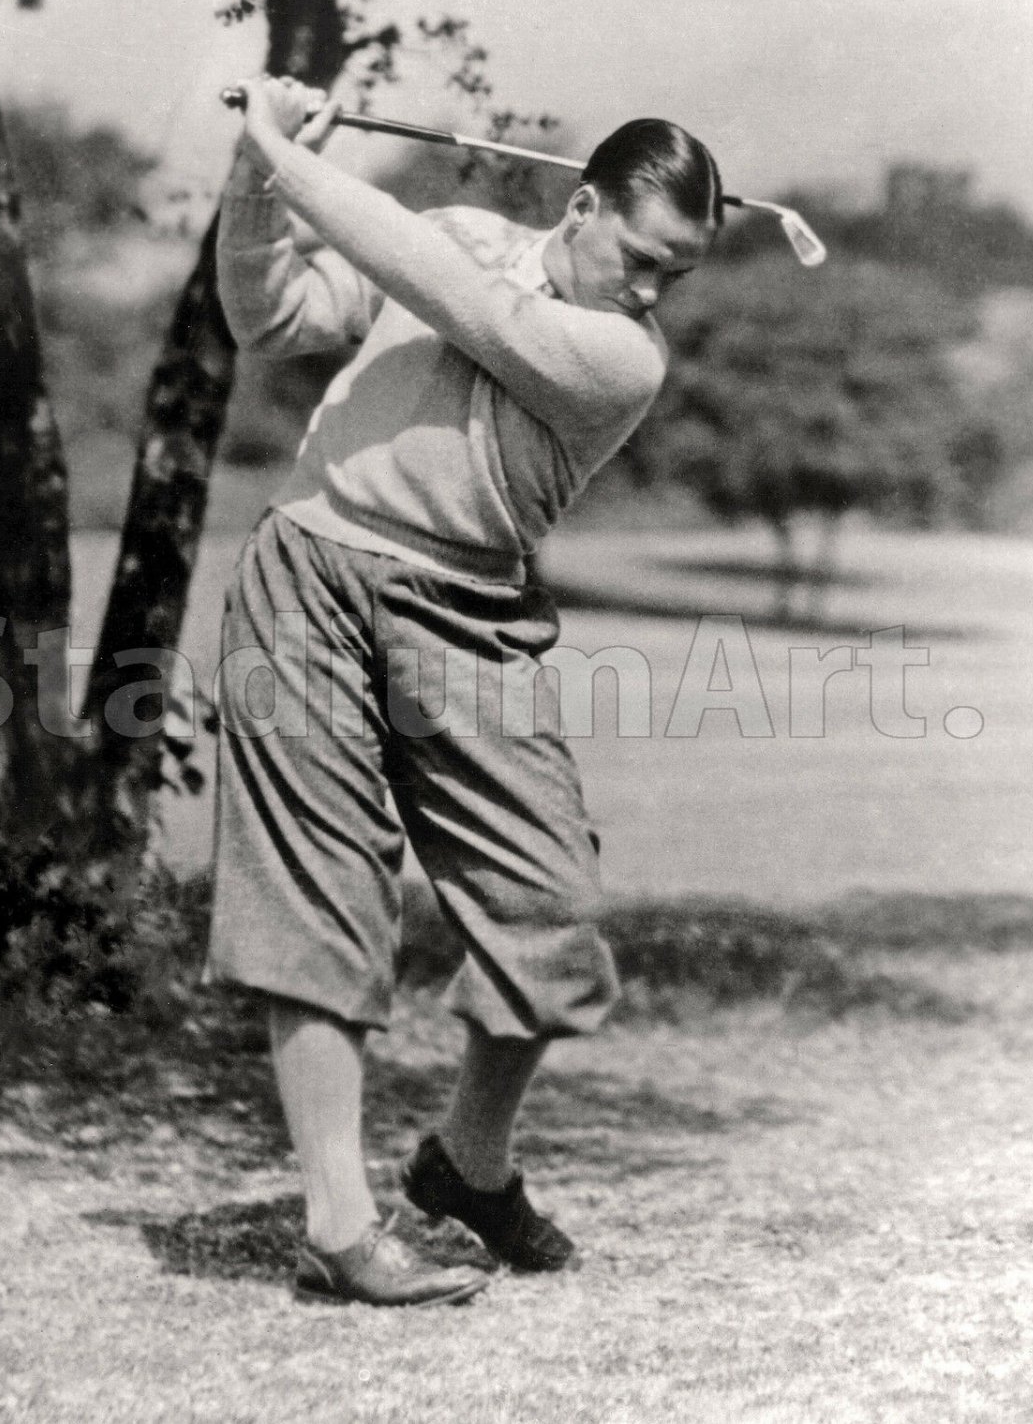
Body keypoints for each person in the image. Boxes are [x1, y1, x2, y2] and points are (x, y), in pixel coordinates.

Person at [207, 74, 721, 1307]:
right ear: (584, 205)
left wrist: (282, 151)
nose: (652, 292)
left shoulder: (614, 357)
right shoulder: (459, 236)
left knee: (547, 904)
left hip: (466, 610)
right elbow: (270, 316)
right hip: (308, 573)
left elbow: (464, 305)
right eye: (642, 257)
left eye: (676, 275)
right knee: (317, 896)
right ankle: (338, 1223)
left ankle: (467, 1163)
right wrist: (249, 183)